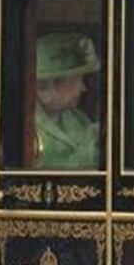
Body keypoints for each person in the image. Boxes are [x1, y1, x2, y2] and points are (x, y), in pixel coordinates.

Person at [33, 32, 100, 169]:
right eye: (78, 80)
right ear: (56, 83)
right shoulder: (19, 124)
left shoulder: (79, 119)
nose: (83, 88)